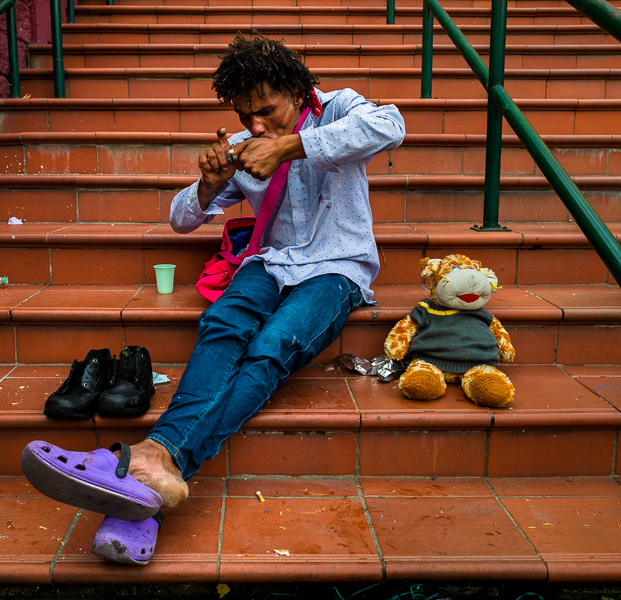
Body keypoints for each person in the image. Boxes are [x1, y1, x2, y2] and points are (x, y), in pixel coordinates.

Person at [21, 33, 406, 565]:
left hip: (337, 268)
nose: (257, 127)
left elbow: (391, 126)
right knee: (222, 324)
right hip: (268, 264)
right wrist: (207, 185)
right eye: (247, 115)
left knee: (273, 346)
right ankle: (152, 476)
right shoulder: (244, 149)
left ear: (298, 92)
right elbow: (181, 220)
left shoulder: (336, 107)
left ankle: (154, 461)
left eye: (267, 112)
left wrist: (289, 146)